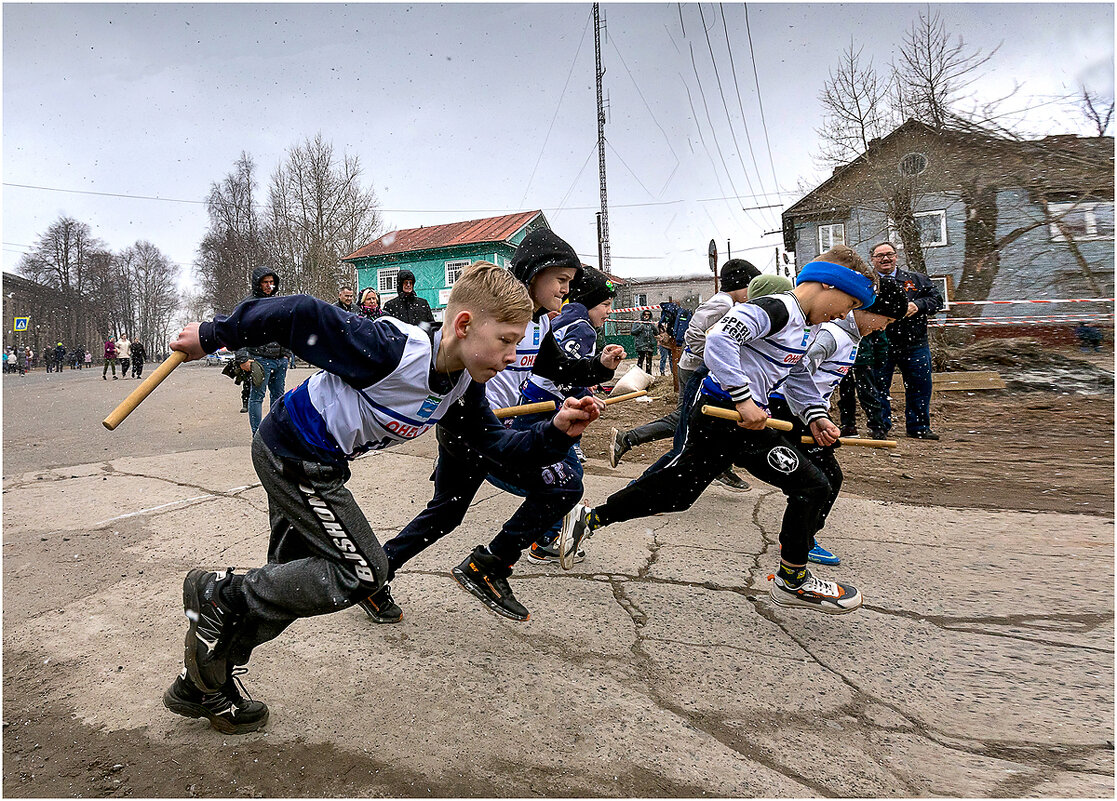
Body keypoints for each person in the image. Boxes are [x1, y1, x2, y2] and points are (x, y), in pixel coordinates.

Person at [162, 261, 601, 734]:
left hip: (313, 462)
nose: (513, 356)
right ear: (464, 324)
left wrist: (554, 433)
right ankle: (218, 594)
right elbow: (299, 314)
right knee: (363, 571)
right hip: (294, 453)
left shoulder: (461, 384)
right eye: (507, 340)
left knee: (292, 587)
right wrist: (212, 334)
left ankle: (202, 680)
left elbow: (494, 444)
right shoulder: (393, 350)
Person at [562, 245, 879, 615]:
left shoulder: (807, 328)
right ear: (828, 285)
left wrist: (815, 415)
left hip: (742, 421)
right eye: (850, 301)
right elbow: (719, 340)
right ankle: (792, 580)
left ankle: (591, 517)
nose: (847, 313)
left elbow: (798, 377)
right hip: (724, 414)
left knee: (675, 494)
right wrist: (744, 398)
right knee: (813, 484)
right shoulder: (775, 309)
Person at [357, 230, 622, 624]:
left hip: (483, 429)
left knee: (445, 513)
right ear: (534, 273)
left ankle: (372, 579)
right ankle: (490, 565)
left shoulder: (540, 324)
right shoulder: (495, 312)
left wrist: (598, 367)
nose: (566, 292)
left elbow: (555, 368)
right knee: (565, 483)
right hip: (475, 427)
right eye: (561, 281)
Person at [769, 276, 908, 567]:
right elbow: (796, 372)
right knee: (821, 480)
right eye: (885, 320)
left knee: (823, 479)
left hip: (805, 413)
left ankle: (801, 538)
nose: (883, 327)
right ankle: (800, 543)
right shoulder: (832, 335)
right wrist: (812, 415)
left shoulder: (851, 338)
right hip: (789, 411)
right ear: (865, 309)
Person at [610, 259, 761, 491]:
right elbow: (694, 334)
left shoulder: (728, 303)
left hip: (694, 368)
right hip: (696, 371)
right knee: (687, 425)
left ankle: (719, 467)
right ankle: (642, 484)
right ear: (739, 285)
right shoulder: (723, 304)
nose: (751, 294)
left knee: (690, 420)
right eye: (750, 287)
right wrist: (714, 359)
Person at [519, 266, 617, 562]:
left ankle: (542, 535)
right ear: (588, 302)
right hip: (545, 407)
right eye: (605, 305)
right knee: (565, 478)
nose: (609, 312)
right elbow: (564, 373)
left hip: (542, 403)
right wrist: (584, 397)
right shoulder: (582, 328)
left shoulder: (565, 319)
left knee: (557, 475)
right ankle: (541, 539)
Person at [866, 242, 944, 440]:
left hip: (915, 343)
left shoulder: (916, 280)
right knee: (878, 386)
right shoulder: (867, 283)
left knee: (920, 385)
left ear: (896, 256)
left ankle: (918, 426)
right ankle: (880, 426)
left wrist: (918, 305)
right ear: (872, 259)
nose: (885, 259)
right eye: (880, 255)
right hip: (880, 343)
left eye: (889, 254)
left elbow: (937, 300)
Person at [236, 267, 292, 435]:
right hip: (259, 359)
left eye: (272, 283)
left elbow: (287, 328)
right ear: (257, 283)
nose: (269, 286)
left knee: (278, 397)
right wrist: (242, 358)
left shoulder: (278, 302)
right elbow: (237, 332)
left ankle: (275, 432)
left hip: (280, 358)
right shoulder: (248, 305)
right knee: (257, 397)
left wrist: (287, 352)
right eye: (265, 282)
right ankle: (257, 434)